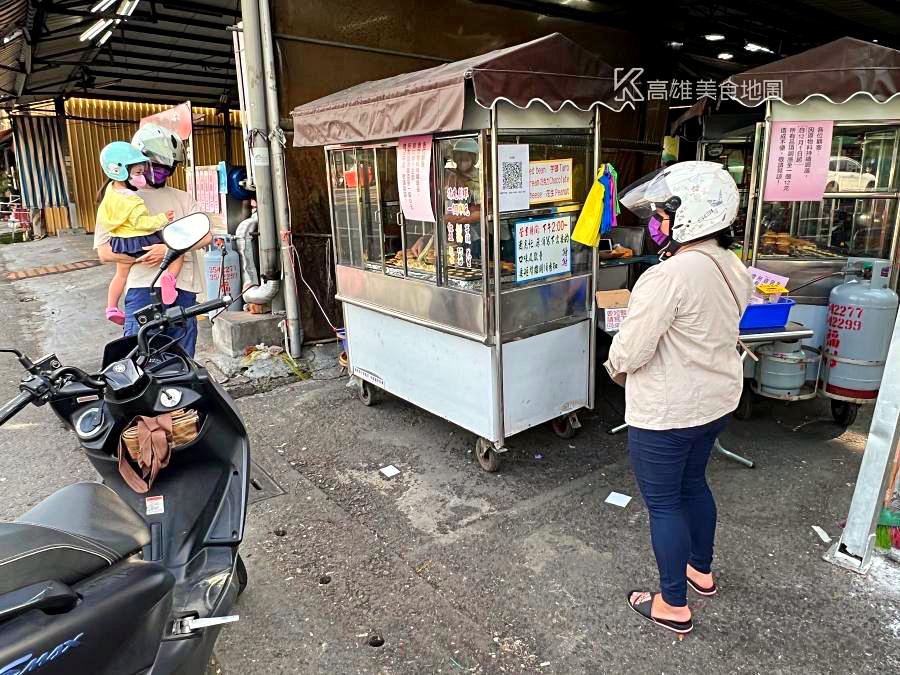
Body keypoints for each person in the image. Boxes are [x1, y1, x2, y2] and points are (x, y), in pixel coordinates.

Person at [604, 161, 754, 635]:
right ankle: (700, 571)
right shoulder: (730, 264)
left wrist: (615, 369)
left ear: (690, 216)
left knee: (665, 503)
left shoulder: (667, 276)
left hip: (668, 412)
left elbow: (632, 347)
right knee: (694, 485)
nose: (655, 225)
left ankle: (673, 604)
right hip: (715, 402)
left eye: (662, 215)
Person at [95, 124, 213, 357]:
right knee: (141, 360)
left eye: (168, 169)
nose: (162, 174)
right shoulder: (119, 199)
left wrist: (169, 249)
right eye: (156, 167)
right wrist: (142, 255)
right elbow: (104, 252)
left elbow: (206, 235)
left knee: (182, 359)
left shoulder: (182, 198)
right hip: (141, 289)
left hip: (183, 289)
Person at [96, 141, 177, 325]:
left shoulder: (110, 194)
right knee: (176, 252)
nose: (142, 177)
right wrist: (163, 218)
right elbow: (143, 223)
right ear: (121, 171)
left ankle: (111, 307)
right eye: (138, 173)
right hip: (139, 240)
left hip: (120, 241)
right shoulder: (132, 200)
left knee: (121, 275)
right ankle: (168, 281)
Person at [410, 138, 482, 263]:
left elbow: (481, 212)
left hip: (473, 235)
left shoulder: (480, 179)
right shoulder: (449, 179)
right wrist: (430, 235)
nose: (461, 163)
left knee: (472, 263)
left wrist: (449, 219)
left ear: (474, 159)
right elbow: (447, 211)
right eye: (458, 159)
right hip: (452, 235)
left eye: (465, 159)